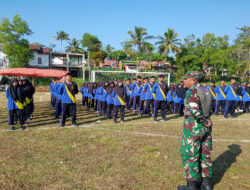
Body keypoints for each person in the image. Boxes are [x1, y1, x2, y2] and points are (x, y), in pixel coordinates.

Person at [178, 71, 213, 190]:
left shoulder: (192, 91)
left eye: (186, 79)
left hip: (194, 125)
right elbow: (209, 108)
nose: (184, 81)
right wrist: (207, 120)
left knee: (190, 154)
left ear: (193, 80)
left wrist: (202, 120)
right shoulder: (207, 90)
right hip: (206, 126)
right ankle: (206, 184)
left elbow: (194, 110)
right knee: (205, 155)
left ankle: (191, 186)